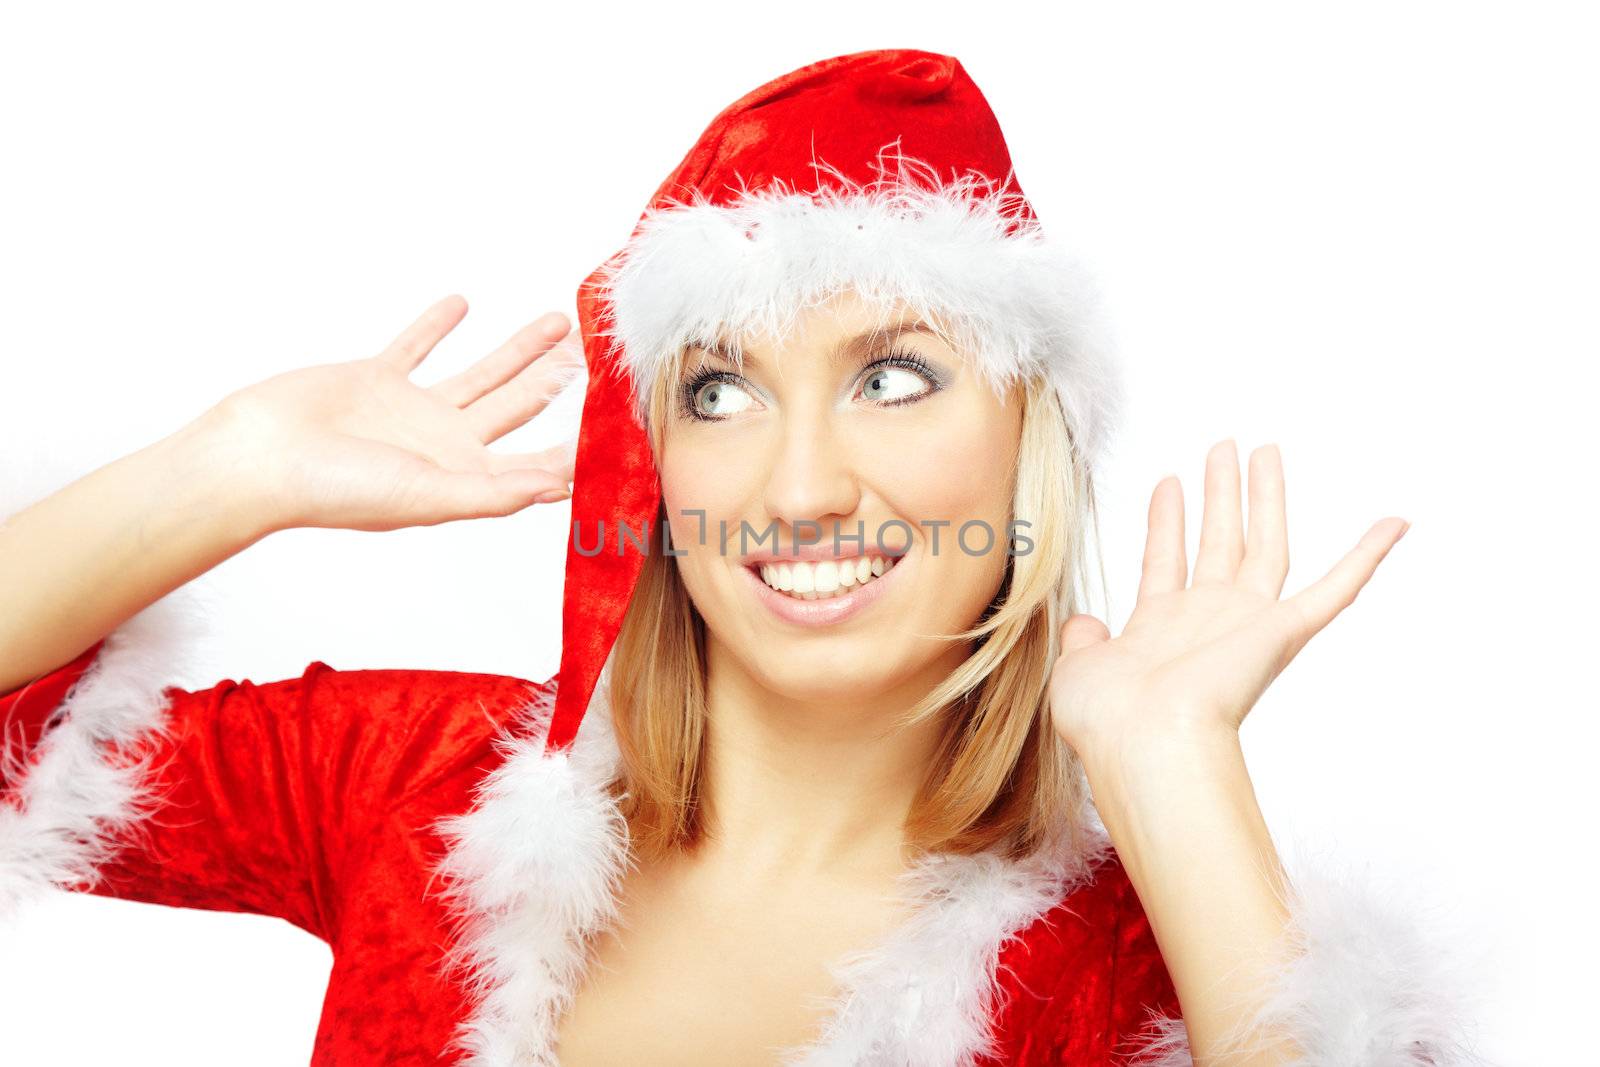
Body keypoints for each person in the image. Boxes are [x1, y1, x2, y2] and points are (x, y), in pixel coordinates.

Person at [0, 48, 1484, 1066]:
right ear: (653, 467)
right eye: (719, 391)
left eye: (894, 376)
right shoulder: (424, 794)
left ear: (1030, 435)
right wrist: (222, 470)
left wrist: (1175, 773)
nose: (799, 485)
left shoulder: (1120, 974)